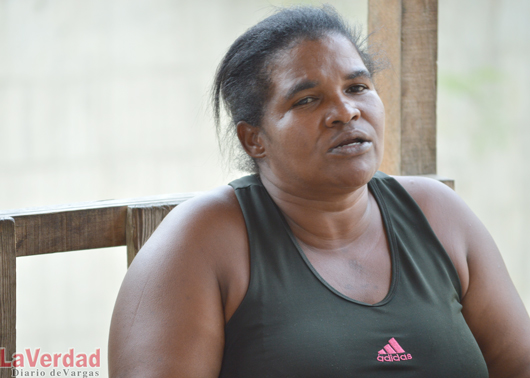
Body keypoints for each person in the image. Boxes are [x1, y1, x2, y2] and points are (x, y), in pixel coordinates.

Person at [108, 6, 530, 377]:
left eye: (357, 87)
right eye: (308, 100)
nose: (346, 111)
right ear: (254, 139)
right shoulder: (203, 240)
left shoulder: (439, 213)